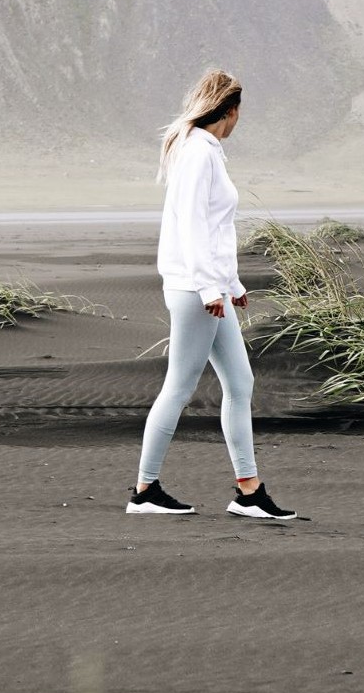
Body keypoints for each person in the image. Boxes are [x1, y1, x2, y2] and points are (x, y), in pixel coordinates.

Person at [127, 69, 298, 521]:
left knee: (240, 384)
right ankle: (144, 490)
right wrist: (209, 287)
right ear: (232, 110)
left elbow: (217, 229)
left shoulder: (206, 151)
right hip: (193, 289)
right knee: (179, 388)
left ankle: (249, 492)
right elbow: (191, 225)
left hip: (210, 288)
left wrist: (232, 284)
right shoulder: (198, 154)